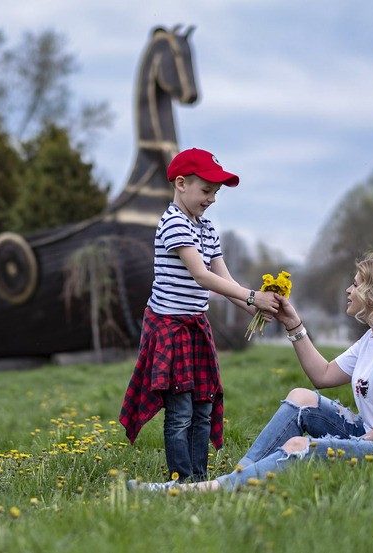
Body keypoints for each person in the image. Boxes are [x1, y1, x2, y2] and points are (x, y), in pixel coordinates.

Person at [129, 252, 373, 492]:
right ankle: (237, 479)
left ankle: (208, 489)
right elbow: (323, 377)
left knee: (301, 446)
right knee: (301, 397)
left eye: (355, 285)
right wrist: (292, 323)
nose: (348, 291)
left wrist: (337, 449)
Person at [119, 148, 280, 483]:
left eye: (215, 193)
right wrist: (253, 296)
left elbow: (225, 282)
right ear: (181, 183)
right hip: (170, 329)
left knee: (202, 408)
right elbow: (203, 276)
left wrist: (260, 307)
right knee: (180, 412)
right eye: (206, 191)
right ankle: (182, 480)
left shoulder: (207, 228)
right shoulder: (173, 223)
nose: (212, 199)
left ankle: (199, 479)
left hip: (195, 328)